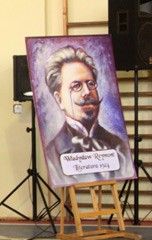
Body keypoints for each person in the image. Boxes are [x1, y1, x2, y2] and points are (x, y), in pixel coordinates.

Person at [44, 45, 134, 185]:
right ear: (59, 99)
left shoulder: (119, 146)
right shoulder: (52, 154)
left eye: (91, 84)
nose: (87, 92)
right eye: (76, 86)